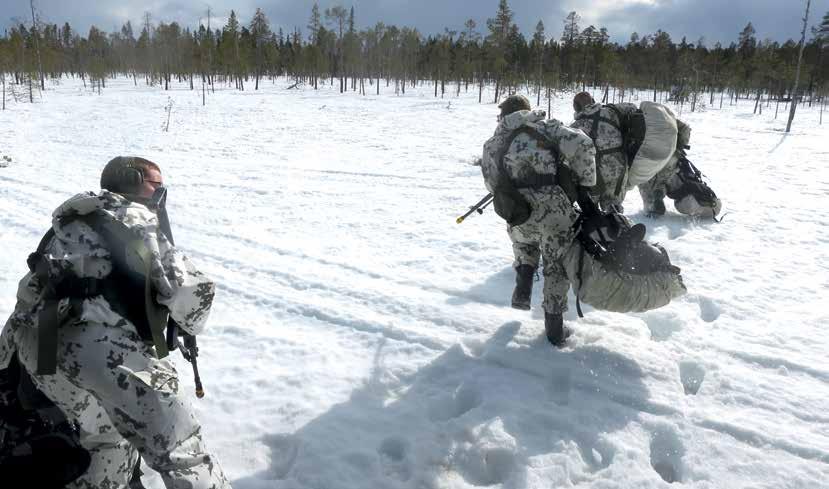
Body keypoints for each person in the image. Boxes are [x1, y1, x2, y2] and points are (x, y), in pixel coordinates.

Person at [0, 156, 231, 489]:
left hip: (42, 353)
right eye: (157, 186)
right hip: (103, 355)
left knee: (108, 439)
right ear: (135, 183)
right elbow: (192, 297)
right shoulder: (134, 218)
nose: (160, 196)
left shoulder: (70, 223)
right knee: (182, 450)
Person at [481, 95, 597, 346]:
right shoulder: (549, 128)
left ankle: (523, 282)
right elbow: (585, 144)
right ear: (527, 110)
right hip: (553, 210)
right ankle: (554, 328)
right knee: (556, 264)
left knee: (523, 242)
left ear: (503, 115)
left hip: (516, 212)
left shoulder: (493, 142)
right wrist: (585, 184)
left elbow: (492, 184)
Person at [570, 91, 640, 213]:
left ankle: (599, 228)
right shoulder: (611, 112)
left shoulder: (575, 127)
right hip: (619, 169)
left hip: (593, 174)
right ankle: (621, 226)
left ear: (576, 107)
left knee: (593, 211)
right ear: (593, 101)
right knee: (614, 208)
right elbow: (632, 107)